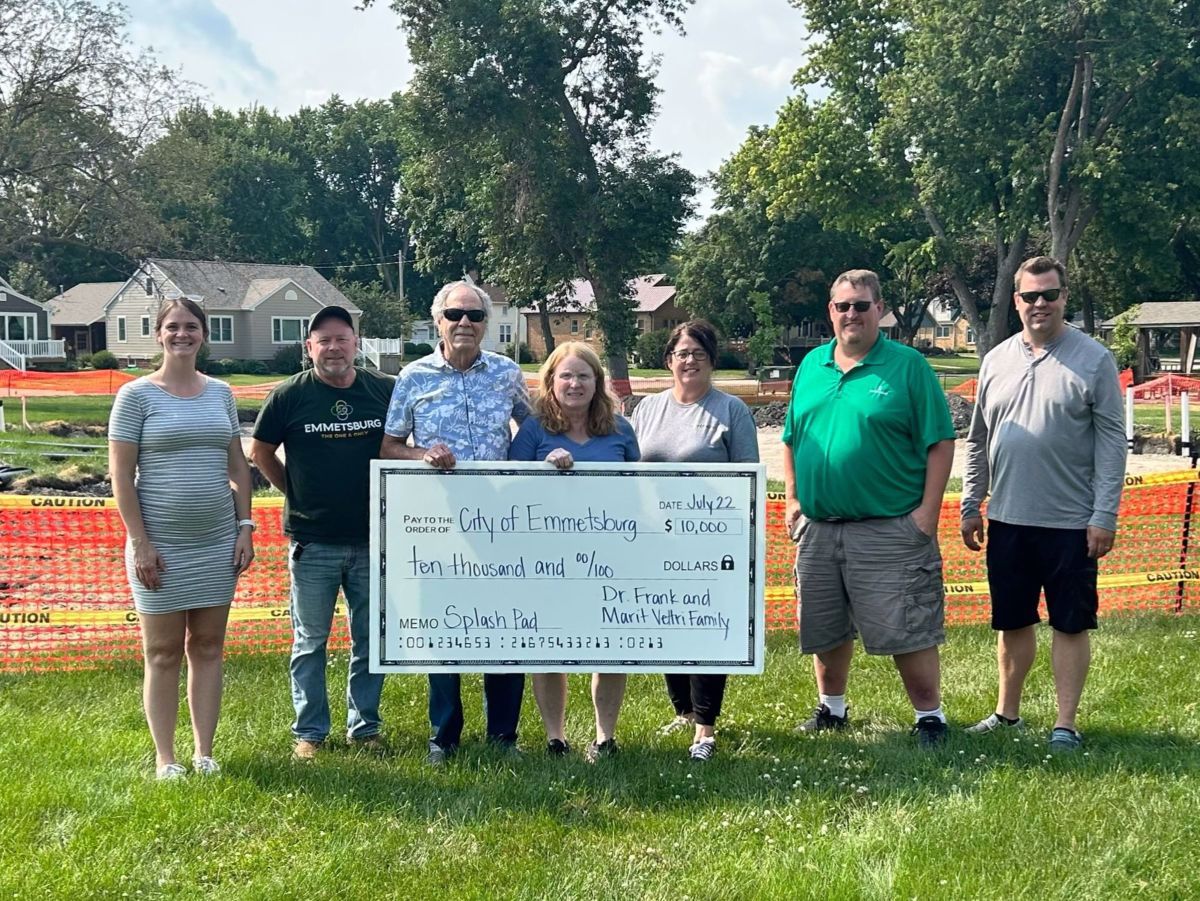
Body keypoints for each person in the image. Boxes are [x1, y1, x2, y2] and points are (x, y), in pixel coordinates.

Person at [782, 269, 956, 747]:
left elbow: (940, 442)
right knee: (824, 625)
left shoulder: (907, 366)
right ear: (830, 313)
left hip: (891, 526)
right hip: (820, 527)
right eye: (843, 306)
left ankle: (930, 717)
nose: (852, 314)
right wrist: (794, 497)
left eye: (861, 305)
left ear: (880, 310)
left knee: (908, 627)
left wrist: (926, 514)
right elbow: (792, 439)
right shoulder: (812, 367)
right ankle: (832, 709)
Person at [961, 256, 1125, 753]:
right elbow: (978, 439)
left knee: (1069, 623)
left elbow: (1113, 442)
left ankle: (1065, 723)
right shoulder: (996, 360)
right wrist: (971, 501)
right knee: (1012, 621)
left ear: (1063, 298)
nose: (1039, 304)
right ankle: (1006, 714)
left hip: (1071, 523)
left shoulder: (1093, 359)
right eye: (1029, 296)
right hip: (1007, 518)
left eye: (1048, 295)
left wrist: (1104, 515)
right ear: (1016, 301)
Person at [380, 280, 531, 765]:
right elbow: (389, 446)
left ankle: (503, 735)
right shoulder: (413, 376)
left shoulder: (507, 374)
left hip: (501, 521)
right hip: (437, 524)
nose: (464, 322)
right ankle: (443, 735)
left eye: (474, 315)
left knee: (505, 626)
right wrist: (423, 454)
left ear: (486, 324)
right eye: (454, 315)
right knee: (445, 630)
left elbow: (534, 428)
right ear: (438, 322)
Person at [109, 298, 255, 779]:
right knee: (163, 652)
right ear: (158, 335)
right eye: (173, 327)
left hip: (217, 543)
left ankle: (204, 753)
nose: (182, 334)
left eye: (191, 327)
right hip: (160, 547)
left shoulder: (221, 395)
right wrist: (142, 543)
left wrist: (244, 528)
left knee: (209, 646)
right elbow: (121, 477)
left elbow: (238, 466)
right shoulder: (136, 397)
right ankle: (165, 758)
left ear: (204, 334)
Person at [249, 305, 394, 761]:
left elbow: (406, 442)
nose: (333, 348)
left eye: (341, 338)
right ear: (309, 348)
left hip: (374, 537)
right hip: (313, 542)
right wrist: (292, 488)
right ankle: (310, 732)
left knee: (370, 639)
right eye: (323, 340)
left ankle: (364, 728)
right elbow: (261, 451)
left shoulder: (384, 390)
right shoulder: (289, 396)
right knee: (310, 640)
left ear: (356, 344)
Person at [630, 320, 759, 761]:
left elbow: (749, 479)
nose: (689, 361)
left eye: (698, 354)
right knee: (667, 623)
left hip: (709, 541)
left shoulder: (731, 411)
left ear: (711, 361)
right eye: (682, 354)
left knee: (705, 630)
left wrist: (740, 538)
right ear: (668, 360)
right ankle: (682, 711)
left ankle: (705, 728)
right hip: (654, 538)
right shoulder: (646, 409)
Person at [509, 341, 640, 762]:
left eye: (584, 375)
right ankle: (555, 738)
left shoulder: (621, 429)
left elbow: (640, 491)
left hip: (610, 555)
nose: (575, 383)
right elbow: (508, 489)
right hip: (546, 558)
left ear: (597, 382)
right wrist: (544, 473)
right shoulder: (533, 430)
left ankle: (605, 737)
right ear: (550, 381)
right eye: (566, 375)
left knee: (610, 646)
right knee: (549, 646)